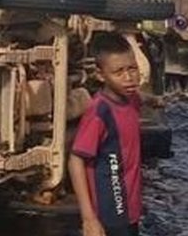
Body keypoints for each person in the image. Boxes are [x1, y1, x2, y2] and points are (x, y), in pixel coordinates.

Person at [69, 33, 148, 236]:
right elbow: (76, 160)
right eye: (118, 72)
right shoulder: (100, 113)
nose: (129, 78)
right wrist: (89, 219)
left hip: (130, 208)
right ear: (101, 75)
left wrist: (154, 100)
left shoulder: (131, 99)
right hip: (110, 211)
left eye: (132, 69)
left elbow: (140, 99)